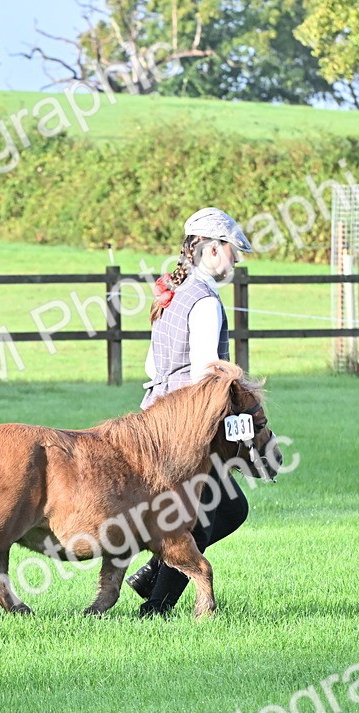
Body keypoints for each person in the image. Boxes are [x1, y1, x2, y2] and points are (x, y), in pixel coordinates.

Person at [128, 207, 253, 617]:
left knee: (229, 507)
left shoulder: (175, 292)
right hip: (186, 428)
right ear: (212, 249)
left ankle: (153, 573)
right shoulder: (205, 301)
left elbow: (151, 366)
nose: (236, 259)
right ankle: (156, 607)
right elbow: (205, 375)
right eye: (232, 250)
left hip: (154, 417)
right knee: (206, 513)